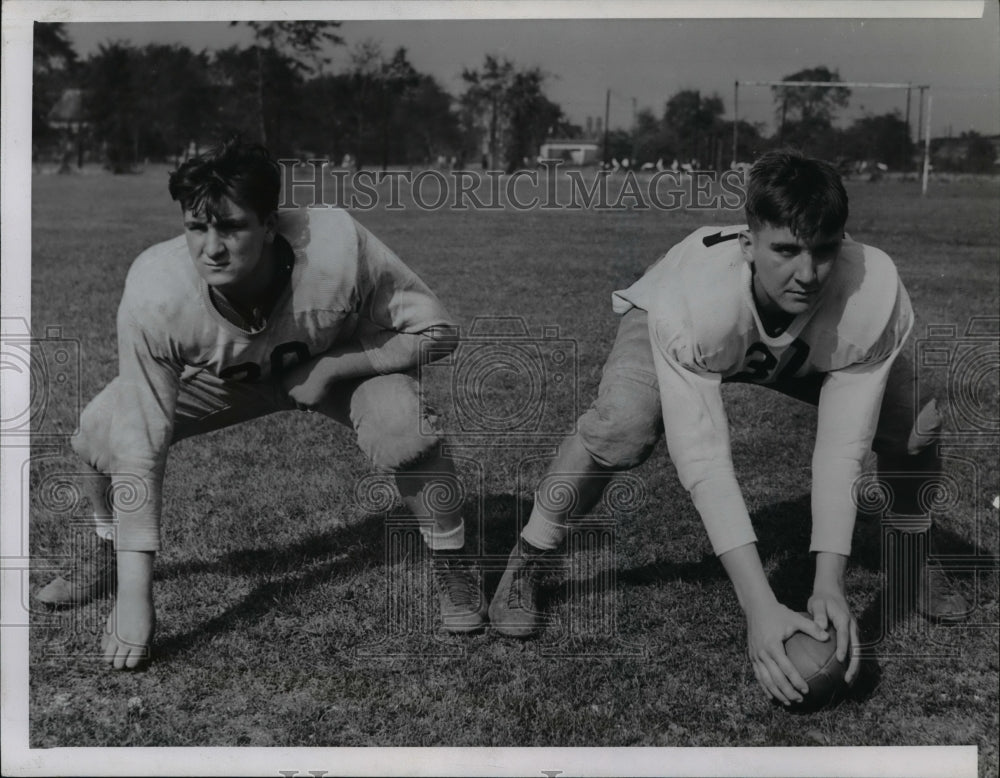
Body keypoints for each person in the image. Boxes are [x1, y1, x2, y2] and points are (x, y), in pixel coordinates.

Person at [488, 150, 969, 705]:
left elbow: (842, 450)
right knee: (621, 426)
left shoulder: (870, 291)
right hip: (701, 331)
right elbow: (705, 461)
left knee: (912, 422)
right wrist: (759, 607)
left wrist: (828, 583)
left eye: (824, 251)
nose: (807, 274)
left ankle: (912, 553)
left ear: (844, 241)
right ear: (748, 245)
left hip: (810, 350)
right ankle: (527, 557)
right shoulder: (695, 300)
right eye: (785, 251)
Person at [36, 137, 487, 669]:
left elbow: (438, 331)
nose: (212, 247)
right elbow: (141, 440)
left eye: (231, 226)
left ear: (271, 223)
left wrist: (332, 368)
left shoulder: (336, 244)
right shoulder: (156, 289)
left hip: (328, 361)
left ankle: (454, 564)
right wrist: (137, 594)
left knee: (404, 430)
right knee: (103, 429)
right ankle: (108, 547)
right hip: (225, 377)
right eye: (197, 228)